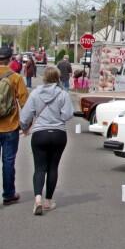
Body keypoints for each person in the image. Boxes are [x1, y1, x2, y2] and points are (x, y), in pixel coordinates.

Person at [20, 65, 74, 215]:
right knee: (53, 167)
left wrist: (24, 127)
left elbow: (25, 116)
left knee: (39, 168)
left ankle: (38, 199)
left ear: (44, 78)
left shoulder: (36, 93)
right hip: (58, 134)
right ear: (58, 78)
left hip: (40, 134)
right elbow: (68, 114)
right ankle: (48, 201)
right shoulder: (63, 94)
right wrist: (58, 117)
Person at [0, 45, 29, 205]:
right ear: (10, 59)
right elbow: (25, 102)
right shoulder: (15, 78)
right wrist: (26, 125)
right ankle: (8, 194)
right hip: (10, 126)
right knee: (8, 161)